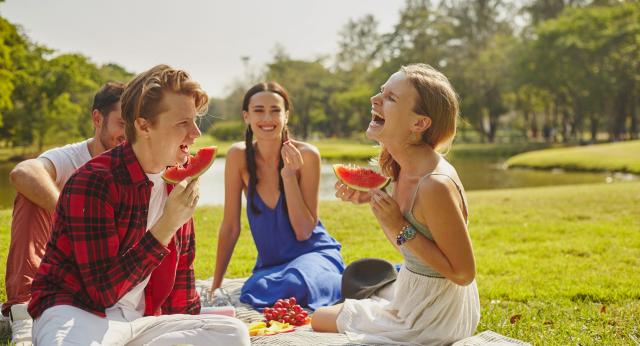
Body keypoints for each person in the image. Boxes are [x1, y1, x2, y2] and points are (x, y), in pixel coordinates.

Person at [28, 65, 249, 345]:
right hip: (77, 311)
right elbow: (101, 292)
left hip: (140, 321)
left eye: (195, 122)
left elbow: (182, 278)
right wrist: (166, 224)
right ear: (144, 125)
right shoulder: (94, 181)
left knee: (231, 333)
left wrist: (191, 325)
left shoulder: (176, 183)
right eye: (183, 123)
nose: (195, 134)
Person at [312, 64, 480, 345]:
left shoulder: (434, 185)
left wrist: (400, 225)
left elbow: (463, 273)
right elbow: (411, 252)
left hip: (437, 316)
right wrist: (376, 204)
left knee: (321, 318)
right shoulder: (400, 169)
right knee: (336, 309)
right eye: (381, 92)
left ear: (419, 123)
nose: (374, 100)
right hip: (415, 291)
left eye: (391, 98)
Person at [3, 82, 126, 344]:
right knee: (29, 194)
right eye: (121, 124)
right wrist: (70, 216)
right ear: (97, 118)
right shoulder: (71, 157)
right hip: (63, 267)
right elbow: (22, 172)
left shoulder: (138, 161)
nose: (127, 135)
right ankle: (23, 311)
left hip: (111, 276)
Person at [209, 82, 345, 310]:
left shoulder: (307, 156)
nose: (267, 118)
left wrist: (289, 176)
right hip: (271, 266)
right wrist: (216, 285)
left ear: (286, 116)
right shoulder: (238, 156)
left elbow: (303, 232)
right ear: (246, 116)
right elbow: (231, 226)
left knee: (296, 282)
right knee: (256, 287)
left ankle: (337, 279)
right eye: (259, 110)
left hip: (314, 254)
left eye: (275, 110)